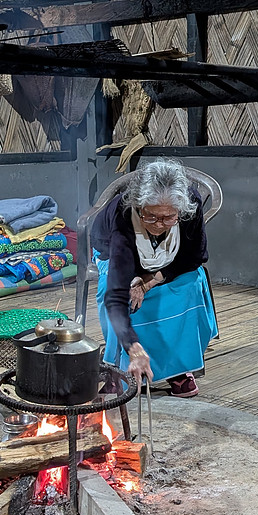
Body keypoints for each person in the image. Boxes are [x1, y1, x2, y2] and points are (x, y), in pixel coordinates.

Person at [91, 159, 218, 396]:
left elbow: (194, 257)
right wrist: (134, 347)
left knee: (189, 284)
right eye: (151, 216)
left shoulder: (189, 205)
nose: (159, 224)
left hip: (168, 263)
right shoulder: (123, 216)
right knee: (117, 292)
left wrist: (148, 282)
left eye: (168, 217)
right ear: (139, 207)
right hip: (115, 254)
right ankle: (118, 369)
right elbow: (115, 293)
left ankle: (177, 368)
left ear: (180, 211)